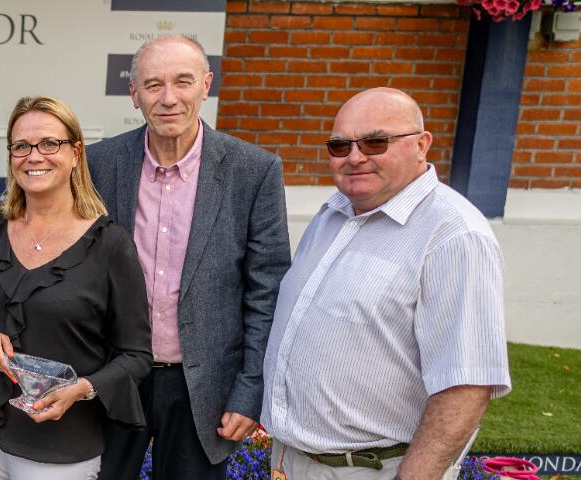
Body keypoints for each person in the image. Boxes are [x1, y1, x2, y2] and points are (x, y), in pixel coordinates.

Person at [262, 87, 511, 479]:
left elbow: (466, 386)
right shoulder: (333, 213)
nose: (355, 157)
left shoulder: (454, 236)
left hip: (372, 469)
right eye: (340, 146)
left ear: (421, 145)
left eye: (375, 142)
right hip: (290, 462)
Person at [89, 35, 291, 480]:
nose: (168, 98)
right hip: (114, 374)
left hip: (204, 386)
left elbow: (267, 291)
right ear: (134, 93)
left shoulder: (253, 171)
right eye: (153, 84)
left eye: (182, 82)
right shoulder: (98, 164)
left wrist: (249, 390)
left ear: (205, 85)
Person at [0, 96, 152, 479]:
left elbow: (136, 355)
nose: (34, 156)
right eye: (21, 146)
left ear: (75, 152)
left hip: (60, 442)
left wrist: (82, 388)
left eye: (49, 143)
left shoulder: (111, 246)